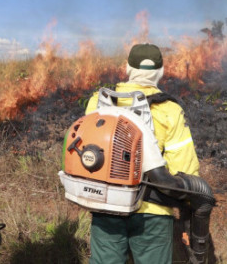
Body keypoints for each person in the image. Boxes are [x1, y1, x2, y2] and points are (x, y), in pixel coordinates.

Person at [84, 43, 201, 264]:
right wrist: (188, 209)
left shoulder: (97, 103)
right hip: (153, 213)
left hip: (107, 205)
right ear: (161, 72)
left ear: (128, 68)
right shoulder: (169, 109)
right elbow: (185, 170)